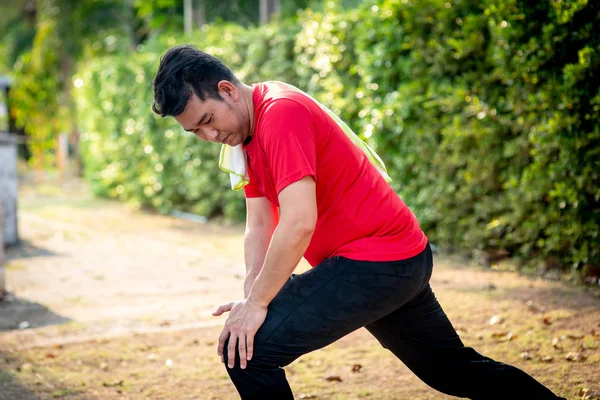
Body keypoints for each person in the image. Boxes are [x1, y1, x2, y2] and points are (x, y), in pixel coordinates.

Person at [151, 45, 565, 400]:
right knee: (451, 370)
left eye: (207, 121)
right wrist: (249, 298)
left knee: (248, 353)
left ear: (227, 91)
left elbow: (297, 223)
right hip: (395, 260)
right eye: (195, 132)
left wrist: (257, 305)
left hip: (380, 261)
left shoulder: (280, 114)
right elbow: (258, 223)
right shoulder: (248, 132)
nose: (208, 137)